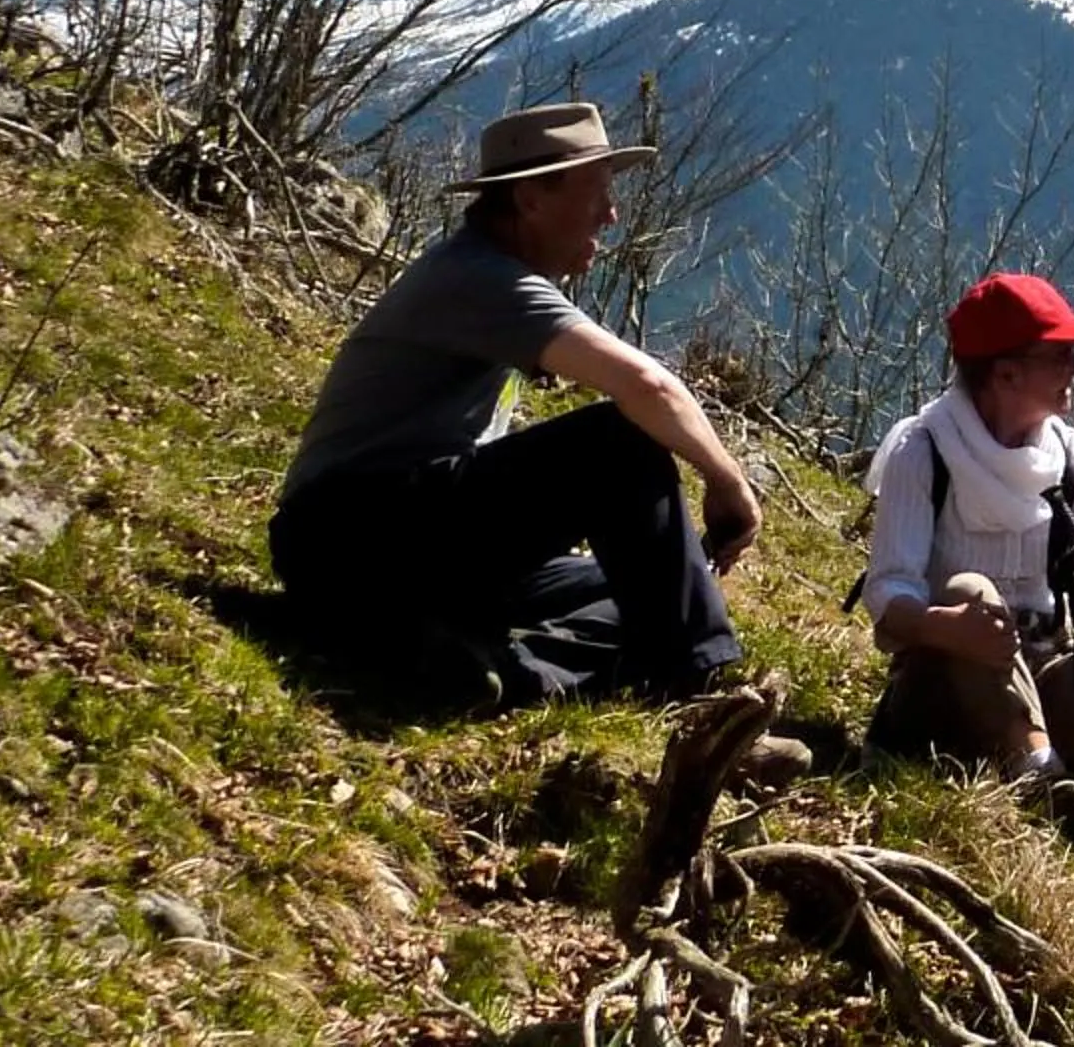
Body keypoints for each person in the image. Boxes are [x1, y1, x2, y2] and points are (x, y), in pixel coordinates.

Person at [269, 101, 759, 710]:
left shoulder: (489, 276)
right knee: (619, 443)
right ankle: (697, 691)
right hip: (345, 533)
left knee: (660, 585)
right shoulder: (479, 278)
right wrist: (727, 479)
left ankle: (488, 666)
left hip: (388, 540)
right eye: (597, 193)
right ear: (530, 199)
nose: (610, 214)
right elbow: (647, 387)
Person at [860, 272, 1074, 945]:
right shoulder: (923, 449)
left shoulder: (1070, 457)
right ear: (1007, 373)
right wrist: (945, 626)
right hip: (943, 695)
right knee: (971, 594)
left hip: (1044, 676)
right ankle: (1043, 786)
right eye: (1059, 355)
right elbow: (890, 593)